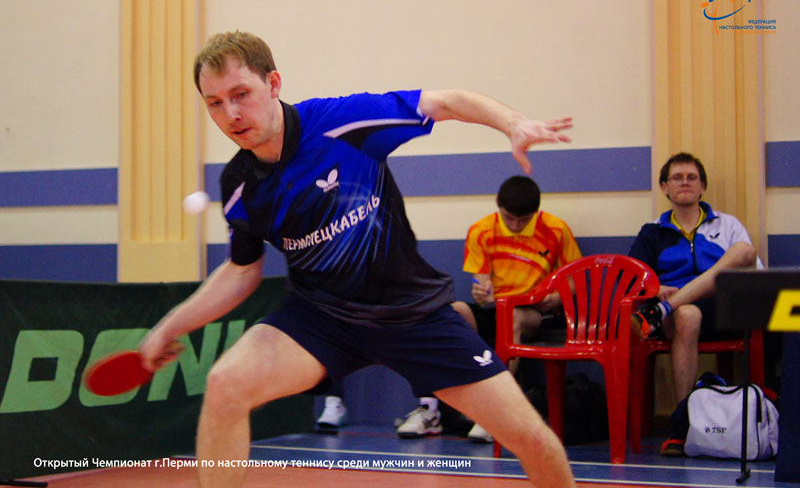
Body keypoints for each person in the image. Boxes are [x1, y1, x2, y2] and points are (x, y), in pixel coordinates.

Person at [138, 30, 577, 488]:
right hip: (321, 319)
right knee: (226, 384)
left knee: (532, 438)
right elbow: (242, 271)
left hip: (413, 315)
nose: (230, 114)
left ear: (273, 84)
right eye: (214, 103)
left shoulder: (340, 122)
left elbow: (445, 102)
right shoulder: (241, 186)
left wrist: (513, 123)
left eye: (240, 94)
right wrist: (170, 326)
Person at [396, 176, 582, 443]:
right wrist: (481, 293)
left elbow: (575, 278)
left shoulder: (556, 229)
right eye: (509, 218)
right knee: (446, 313)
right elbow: (482, 285)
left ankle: (496, 412)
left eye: (523, 220)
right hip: (497, 308)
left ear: (536, 212)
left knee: (513, 318)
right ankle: (430, 408)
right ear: (498, 205)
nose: (515, 226)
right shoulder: (481, 231)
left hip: (534, 313)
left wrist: (556, 297)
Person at [628, 152, 761, 456]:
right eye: (677, 178)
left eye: (692, 177)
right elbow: (633, 278)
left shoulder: (727, 224)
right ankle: (683, 425)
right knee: (687, 313)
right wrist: (656, 288)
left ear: (702, 187)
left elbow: (753, 269)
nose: (685, 182)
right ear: (665, 187)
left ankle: (665, 308)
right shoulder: (652, 231)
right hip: (677, 319)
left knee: (743, 249)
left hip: (724, 310)